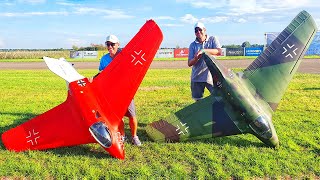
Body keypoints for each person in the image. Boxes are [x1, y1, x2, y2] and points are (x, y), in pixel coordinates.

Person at [96, 34, 142, 146]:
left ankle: (134, 136)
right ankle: (122, 135)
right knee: (118, 116)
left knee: (132, 115)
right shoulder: (104, 59)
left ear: (118, 44)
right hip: (112, 93)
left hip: (126, 91)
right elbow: (102, 74)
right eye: (108, 44)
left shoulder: (125, 56)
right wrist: (94, 77)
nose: (110, 46)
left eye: (112, 44)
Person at [188, 22, 222, 101]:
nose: (198, 32)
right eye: (196, 30)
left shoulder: (212, 39)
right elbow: (189, 63)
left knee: (219, 99)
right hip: (197, 77)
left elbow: (219, 51)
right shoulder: (192, 45)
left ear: (204, 30)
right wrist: (196, 58)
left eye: (200, 29)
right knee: (198, 101)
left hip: (212, 77)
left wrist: (204, 51)